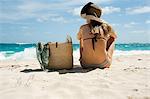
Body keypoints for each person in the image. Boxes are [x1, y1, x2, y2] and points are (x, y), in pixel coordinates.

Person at [77, 2, 117, 69]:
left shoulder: (83, 28)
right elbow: (115, 36)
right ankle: (105, 56)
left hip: (85, 64)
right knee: (112, 39)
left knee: (81, 38)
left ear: (88, 17)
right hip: (104, 64)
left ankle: (82, 58)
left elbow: (78, 38)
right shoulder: (106, 27)